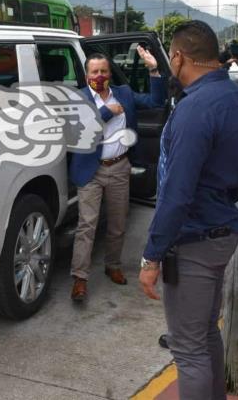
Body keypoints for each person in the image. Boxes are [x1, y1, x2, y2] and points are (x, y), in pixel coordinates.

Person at [138, 20, 238, 400]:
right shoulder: (236, 97)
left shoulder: (194, 108)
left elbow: (176, 194)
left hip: (193, 240)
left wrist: (151, 257)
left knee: (188, 348)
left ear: (179, 56)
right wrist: (230, 192)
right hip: (219, 232)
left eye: (170, 56)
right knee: (204, 332)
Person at [69, 47, 166, 302]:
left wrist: (153, 69)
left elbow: (156, 102)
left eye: (103, 71)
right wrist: (106, 111)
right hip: (90, 170)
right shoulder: (78, 98)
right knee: (86, 226)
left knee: (118, 223)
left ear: (110, 73)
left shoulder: (124, 94)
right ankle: (80, 277)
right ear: (86, 74)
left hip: (120, 166)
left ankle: (113, 265)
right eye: (94, 71)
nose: (99, 76)